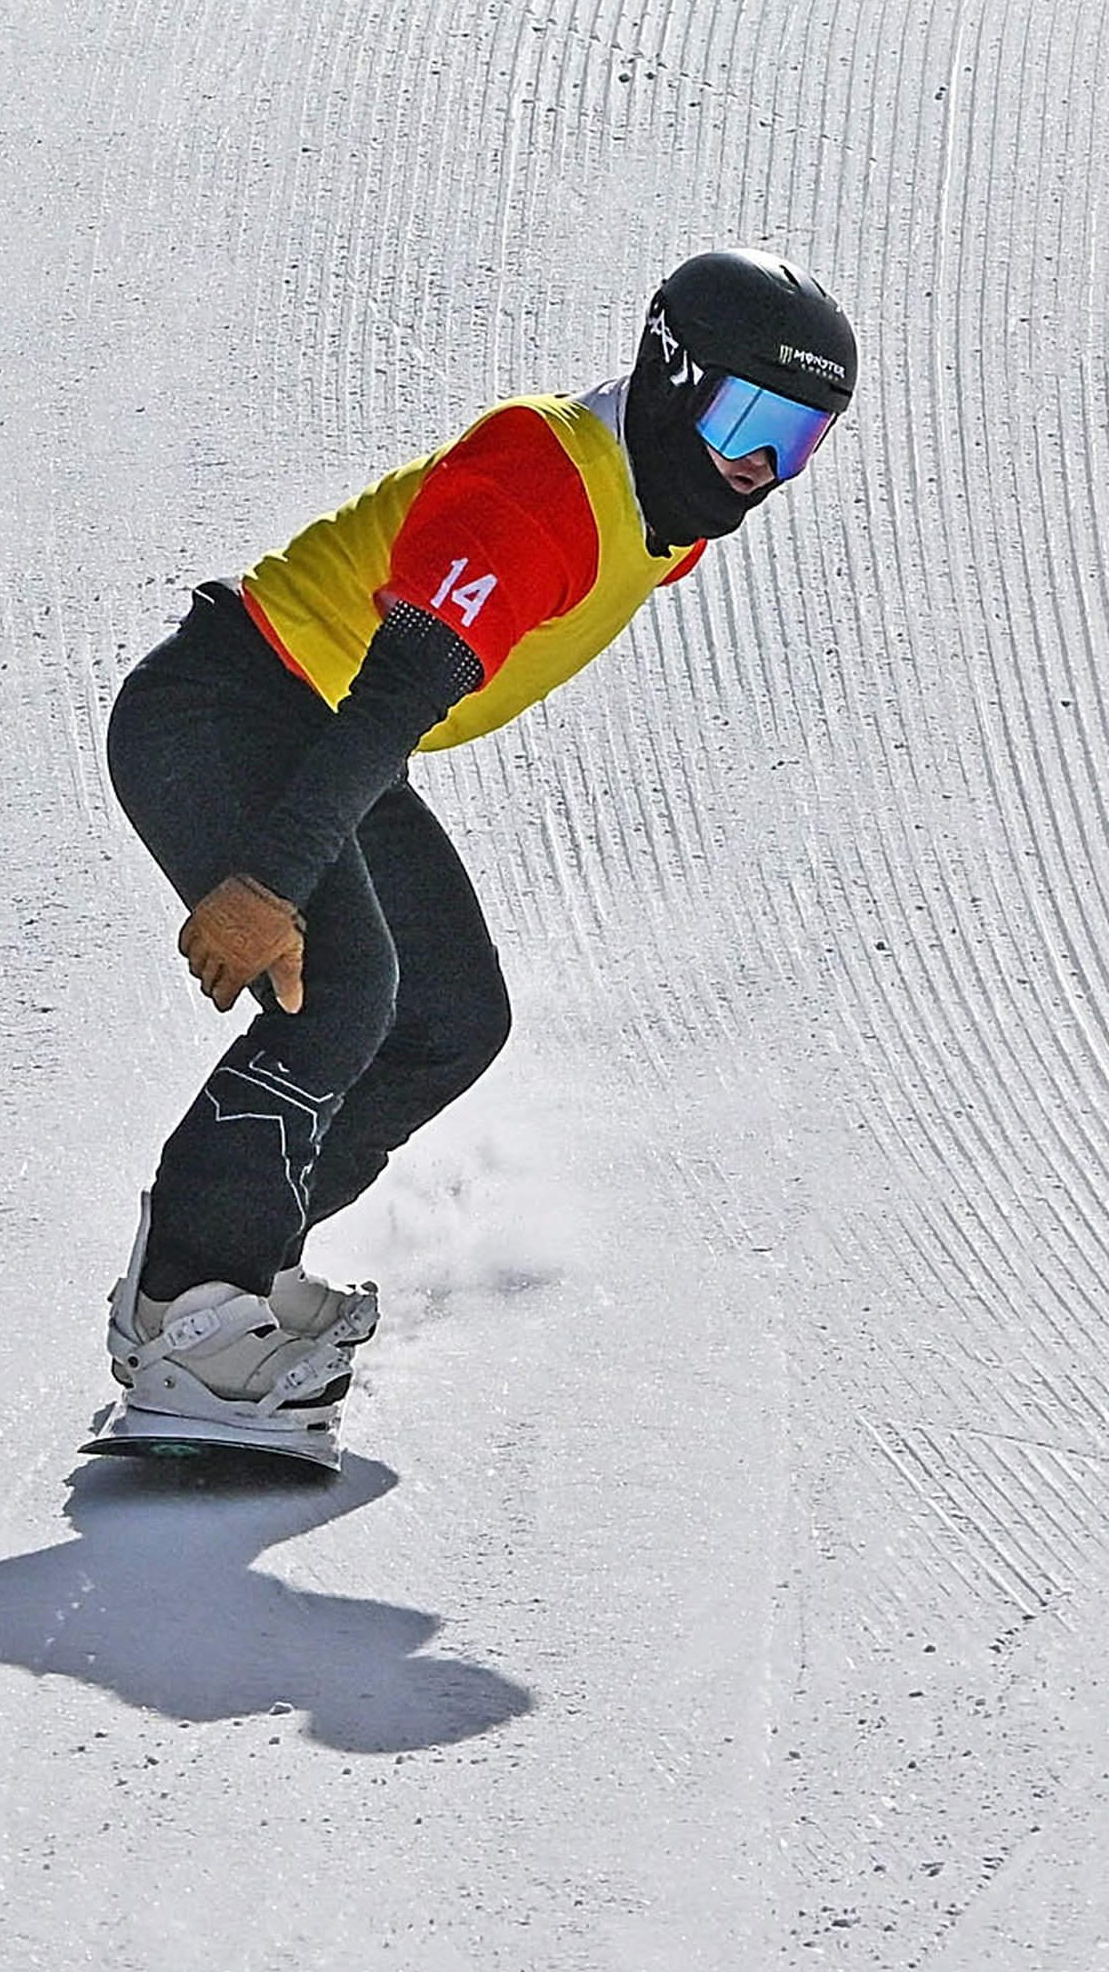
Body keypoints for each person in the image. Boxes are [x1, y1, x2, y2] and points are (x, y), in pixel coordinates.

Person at [92, 248, 863, 1459]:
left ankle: (234, 1269)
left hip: (322, 727)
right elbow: (402, 684)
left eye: (800, 441)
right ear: (669, 374)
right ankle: (185, 1308)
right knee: (338, 988)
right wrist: (268, 879)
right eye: (748, 418)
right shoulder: (542, 483)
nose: (762, 468)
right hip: (233, 706)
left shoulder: (667, 509)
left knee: (450, 1014)